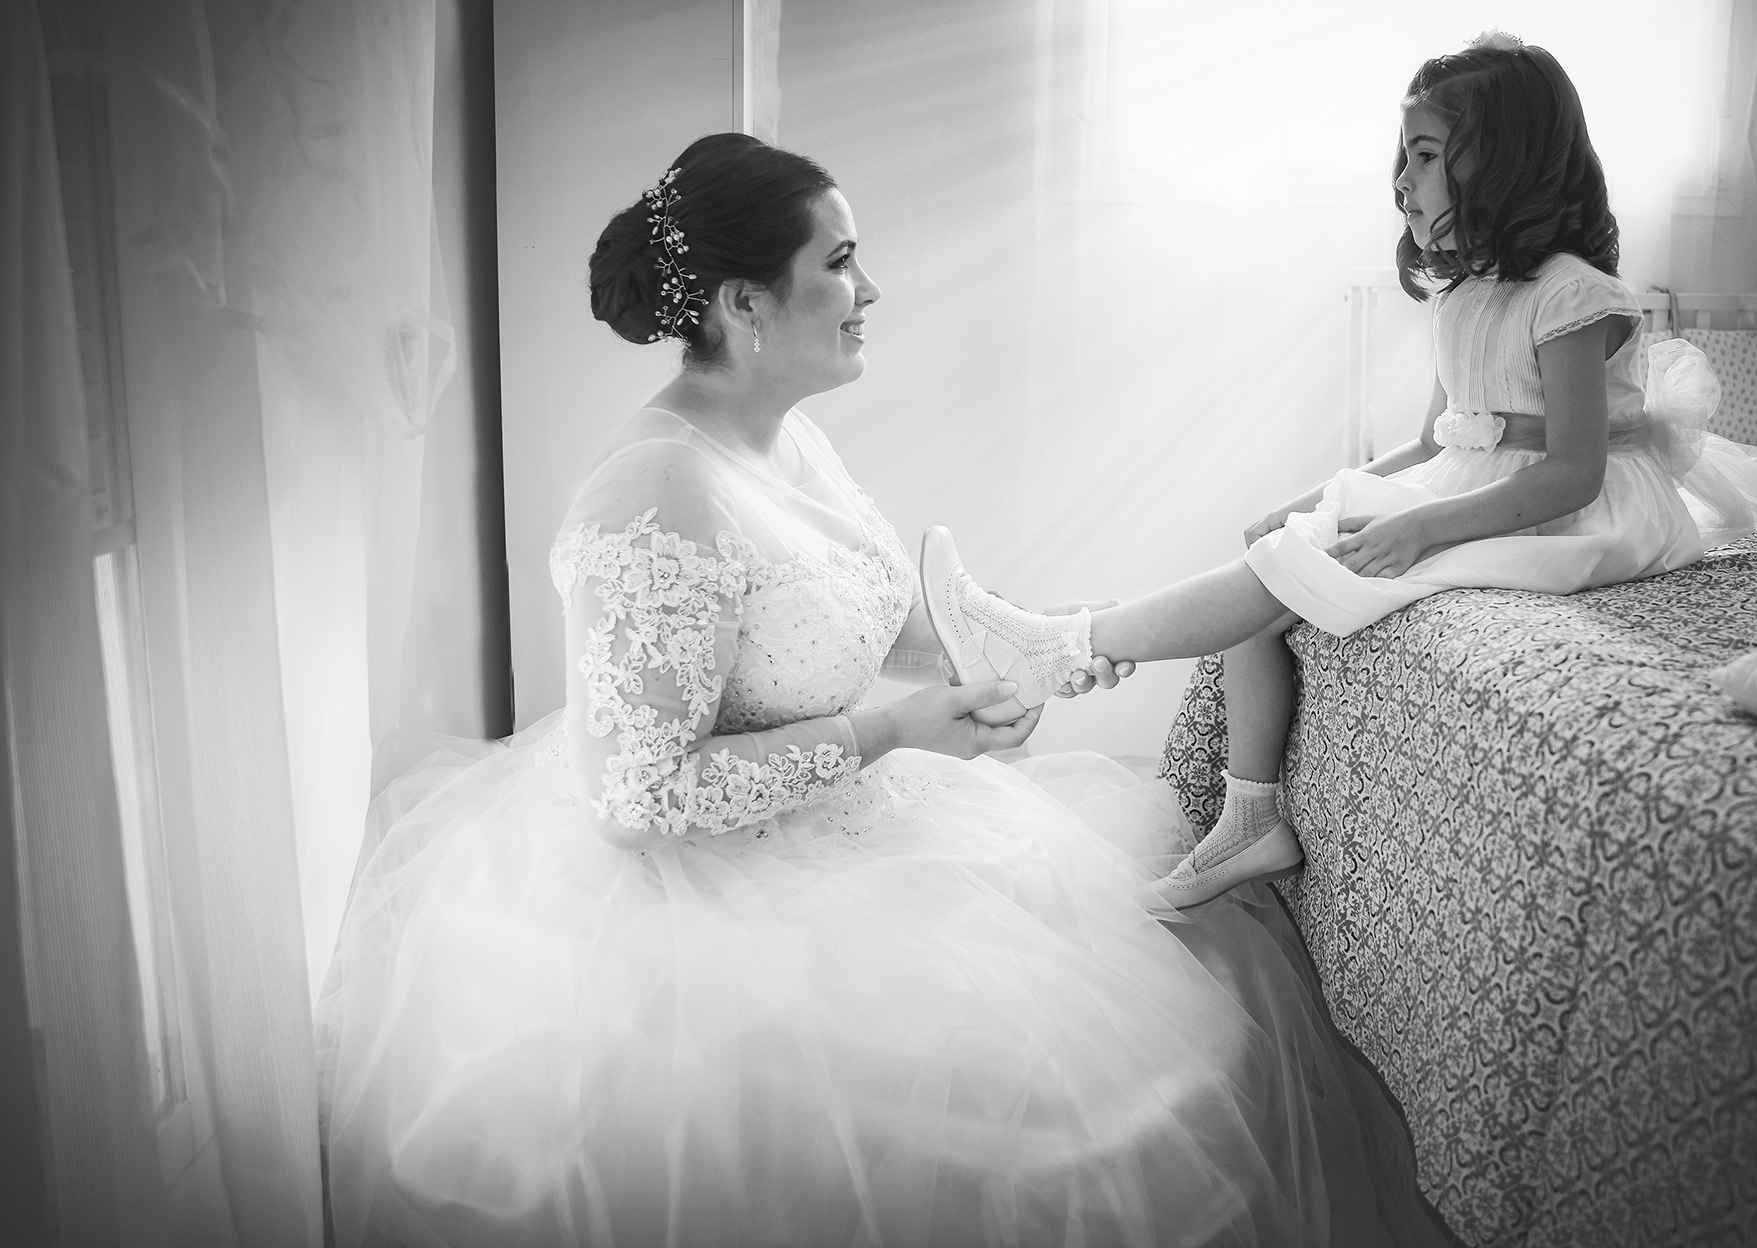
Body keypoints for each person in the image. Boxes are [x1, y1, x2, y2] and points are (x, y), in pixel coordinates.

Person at [315, 132, 1450, 1247]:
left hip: (851, 816)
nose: (870, 289)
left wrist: (1010, 657)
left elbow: (861, 615)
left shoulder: (785, 437)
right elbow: (638, 796)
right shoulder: (656, 495)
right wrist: (893, 731)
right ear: (745, 304)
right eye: (841, 261)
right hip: (709, 906)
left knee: (1139, 1049)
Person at [920, 32, 1757, 910]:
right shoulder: (1464, 292)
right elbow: (1435, 440)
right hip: (1478, 485)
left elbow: (1573, 472)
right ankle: (1244, 810)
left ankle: (1055, 642)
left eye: (1426, 156)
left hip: (1576, 513)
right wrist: (1307, 500)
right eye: (1404, 155)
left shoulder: (1573, 294)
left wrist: (1420, 526)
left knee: (1285, 571)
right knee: (1279, 553)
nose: (1401, 179)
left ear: (1502, 162)